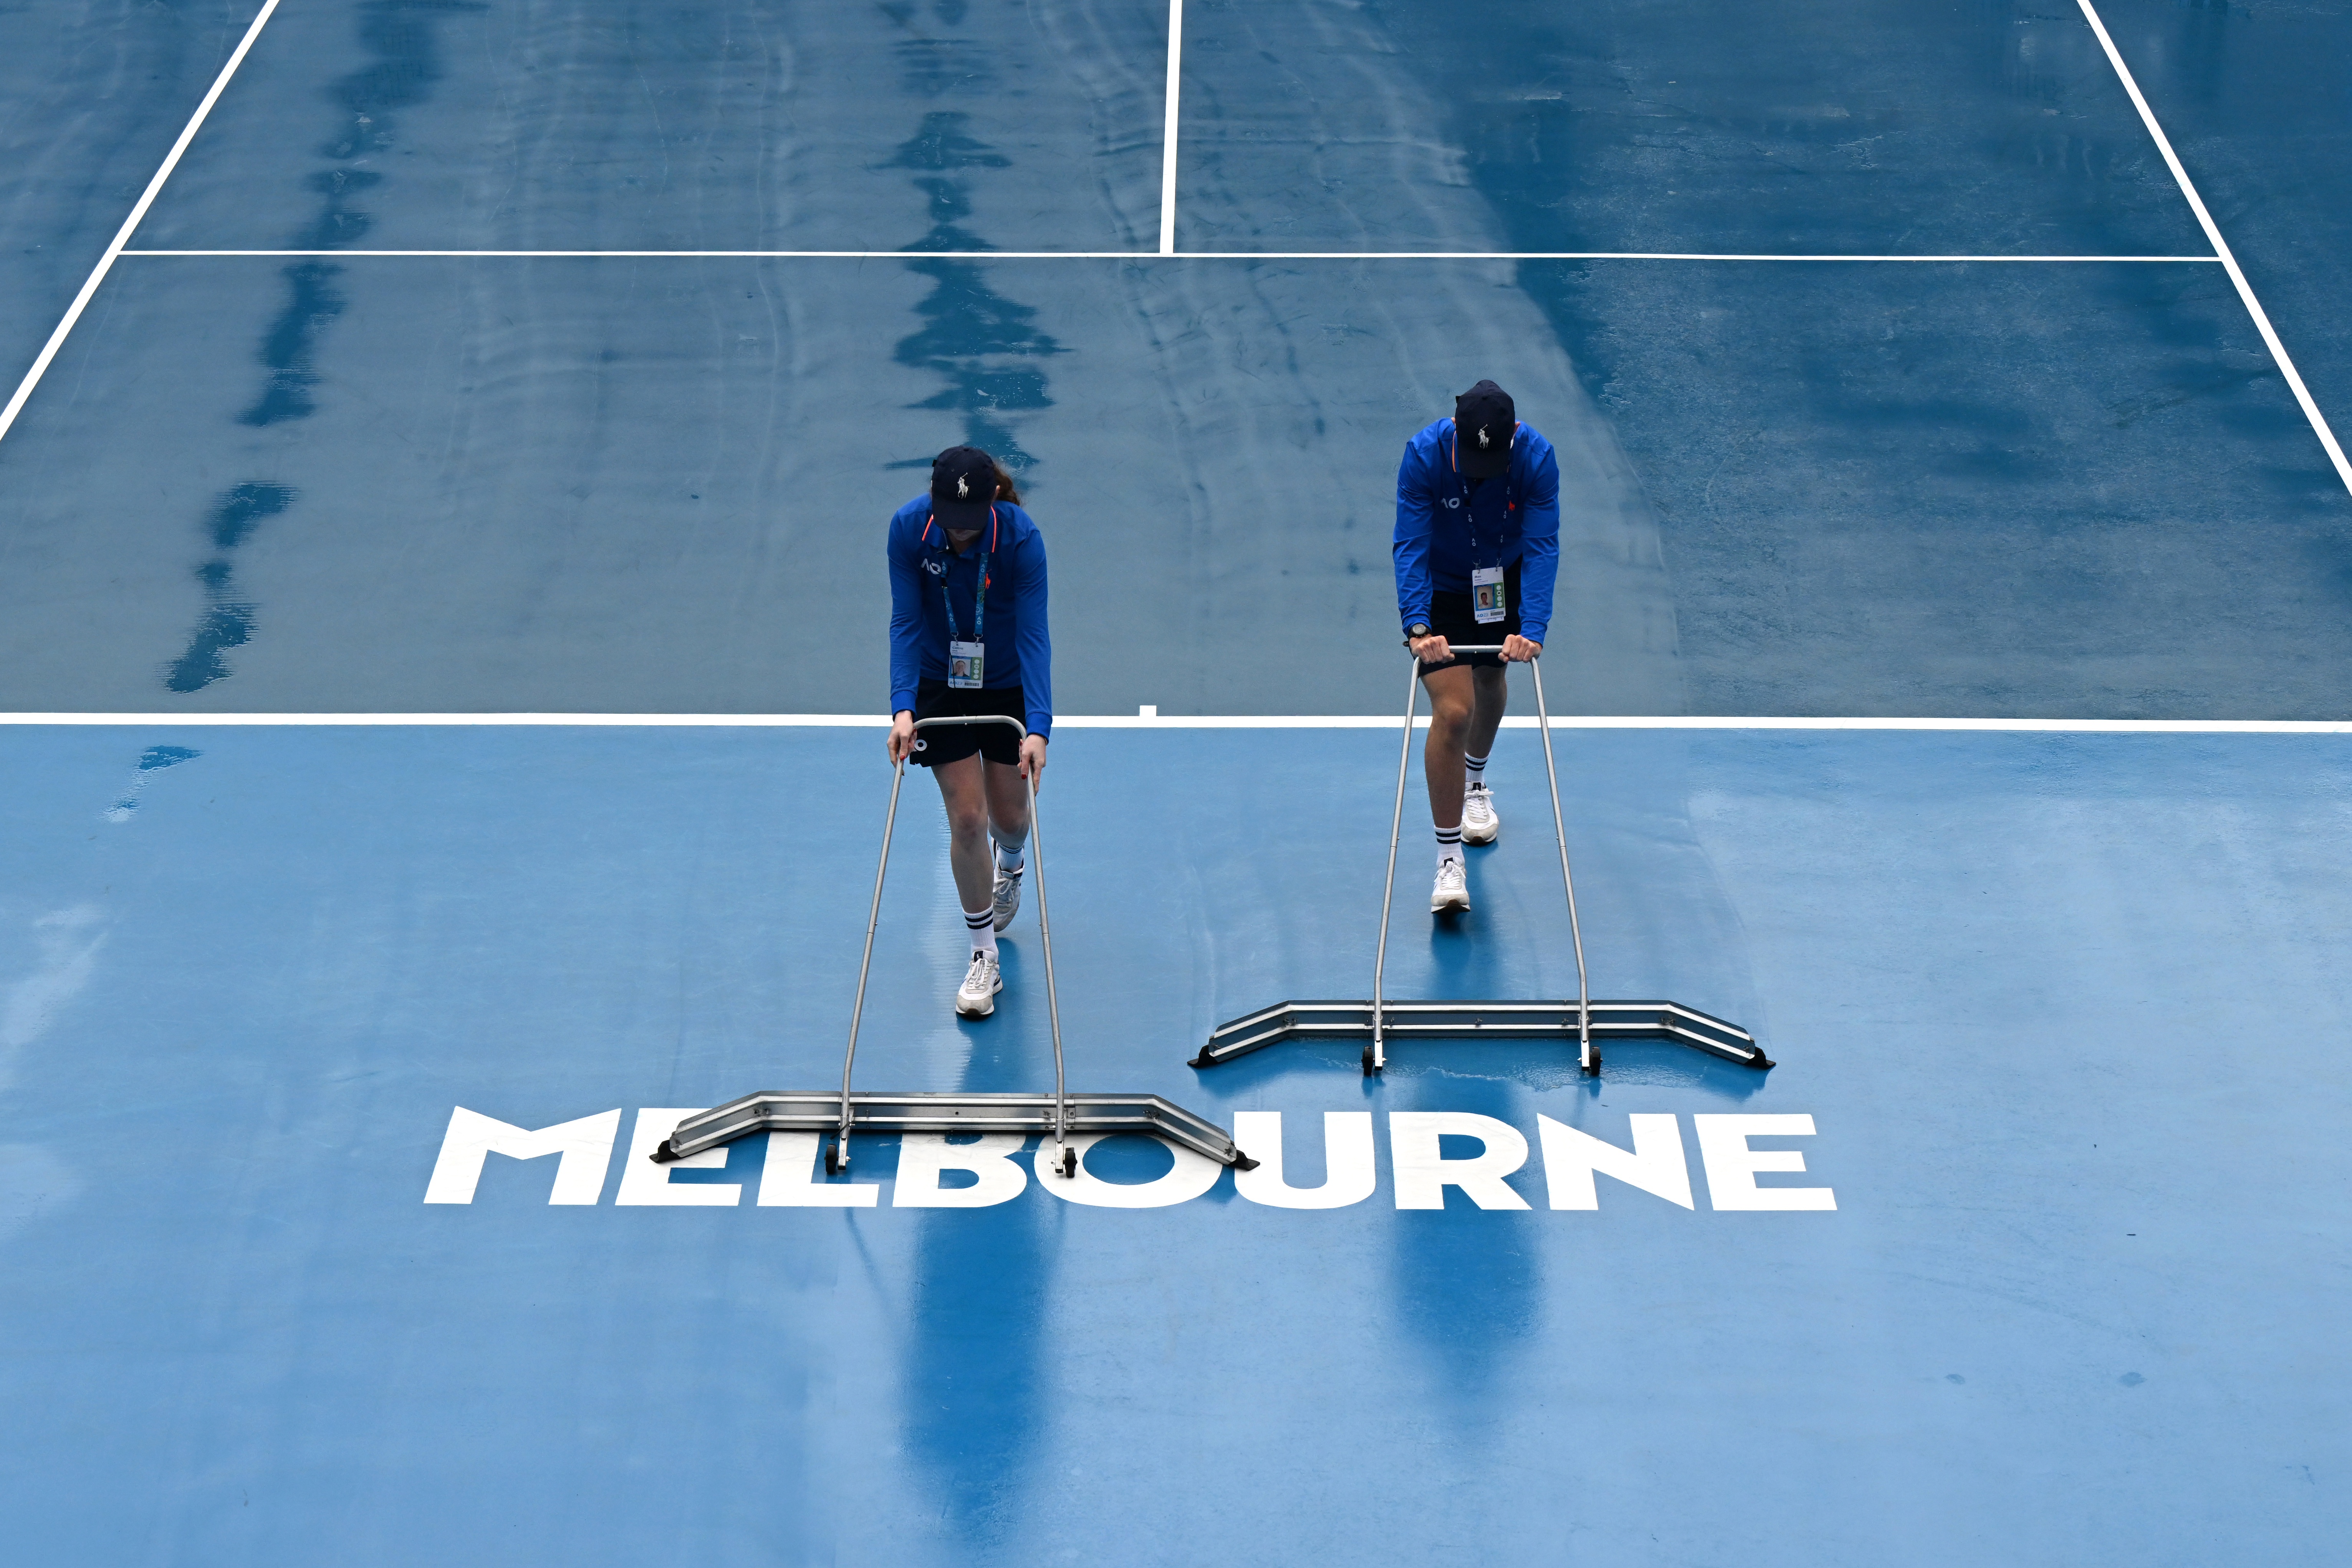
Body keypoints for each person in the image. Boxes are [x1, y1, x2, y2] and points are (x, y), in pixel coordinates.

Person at [886, 445, 1053, 1017]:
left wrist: (1038, 728)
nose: (958, 534)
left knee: (1009, 818)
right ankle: (984, 956)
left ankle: (1011, 862)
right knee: (966, 817)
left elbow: (1034, 634)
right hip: (940, 680)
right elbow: (906, 620)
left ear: (992, 505)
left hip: (1006, 682)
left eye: (969, 523)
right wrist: (902, 707)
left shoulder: (1021, 539)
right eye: (949, 522)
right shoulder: (909, 529)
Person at [1392, 379, 1560, 916]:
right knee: (1454, 709)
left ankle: (1475, 782)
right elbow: (1410, 542)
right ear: (1453, 432)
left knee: (1491, 679)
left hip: (1500, 580)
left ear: (1513, 434)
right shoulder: (1422, 455)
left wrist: (1532, 627)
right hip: (1441, 585)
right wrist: (1418, 626)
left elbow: (1541, 543)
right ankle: (1447, 861)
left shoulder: (1536, 458)